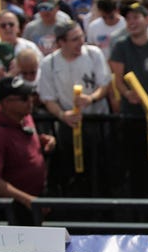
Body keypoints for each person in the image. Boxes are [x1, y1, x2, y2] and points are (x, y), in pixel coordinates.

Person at [38, 20, 111, 196]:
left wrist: (91, 98)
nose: (80, 42)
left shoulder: (94, 54)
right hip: (68, 125)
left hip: (96, 121)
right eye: (74, 39)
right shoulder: (49, 63)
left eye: (81, 37)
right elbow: (48, 98)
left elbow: (104, 84)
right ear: (61, 42)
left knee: (100, 168)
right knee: (70, 169)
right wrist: (63, 115)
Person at [110, 0, 148, 197]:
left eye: (136, 17)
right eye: (128, 18)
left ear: (147, 20)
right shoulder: (120, 46)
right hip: (131, 115)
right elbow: (117, 79)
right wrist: (127, 94)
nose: (131, 22)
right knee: (132, 162)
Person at [0, 76, 56, 225]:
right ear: (6, 103)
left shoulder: (26, 117)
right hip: (12, 210)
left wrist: (45, 141)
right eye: (23, 98)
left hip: (34, 201)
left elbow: (23, 142)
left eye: (31, 95)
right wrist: (27, 200)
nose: (30, 101)